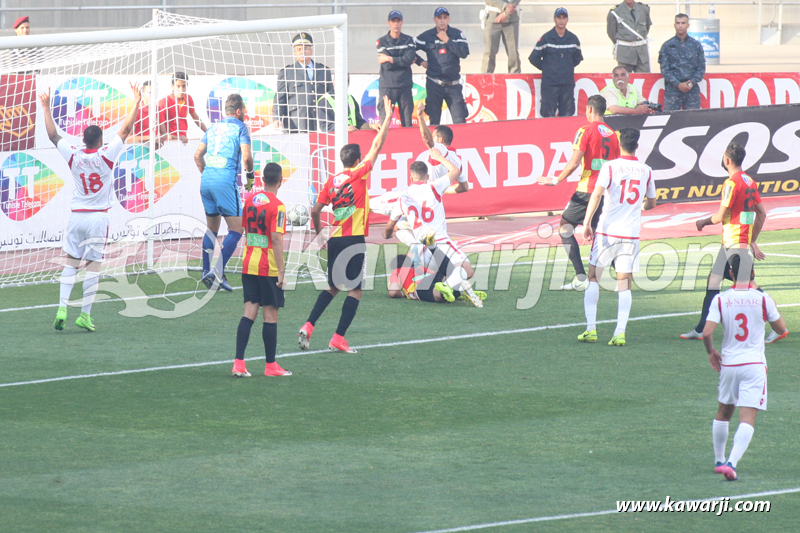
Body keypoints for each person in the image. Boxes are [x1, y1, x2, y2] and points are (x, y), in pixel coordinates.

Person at [41, 83, 142, 332]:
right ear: (100, 141)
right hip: (98, 219)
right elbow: (127, 129)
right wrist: (136, 101)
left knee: (70, 263)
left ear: (83, 140)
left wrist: (45, 107)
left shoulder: (74, 155)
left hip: (76, 217)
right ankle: (85, 315)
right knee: (93, 267)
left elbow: (53, 136)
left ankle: (62, 306)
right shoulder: (106, 156)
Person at [297, 96, 393, 354]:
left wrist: (320, 235)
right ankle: (338, 337)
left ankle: (309, 324)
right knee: (355, 291)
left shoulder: (331, 181)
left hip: (335, 239)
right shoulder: (358, 174)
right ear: (358, 160)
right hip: (353, 240)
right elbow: (377, 144)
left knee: (332, 287)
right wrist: (387, 119)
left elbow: (315, 210)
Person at [680, 142, 780, 343]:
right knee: (714, 280)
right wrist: (752, 239)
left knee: (748, 285)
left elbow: (719, 216)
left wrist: (703, 222)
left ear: (726, 160)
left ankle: (778, 326)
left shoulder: (731, 183)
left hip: (734, 242)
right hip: (734, 242)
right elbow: (761, 213)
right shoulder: (749, 181)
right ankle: (701, 328)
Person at [703, 254, 788, 481]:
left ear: (730, 274)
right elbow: (781, 329)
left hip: (729, 365)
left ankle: (719, 460)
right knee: (747, 418)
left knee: (723, 412)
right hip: (754, 365)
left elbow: (707, 332)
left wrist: (711, 352)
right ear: (753, 273)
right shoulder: (763, 299)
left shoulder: (721, 299)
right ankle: (732, 463)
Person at [578, 128, 657, 346]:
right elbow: (652, 203)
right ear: (637, 146)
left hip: (607, 231)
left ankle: (591, 329)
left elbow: (596, 195)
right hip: (630, 234)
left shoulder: (610, 167)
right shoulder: (646, 170)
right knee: (625, 284)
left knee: (593, 277)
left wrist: (586, 223)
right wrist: (639, 205)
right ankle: (620, 332)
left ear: (619, 144)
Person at [537, 94, 620, 291]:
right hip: (607, 191)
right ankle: (622, 277)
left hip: (587, 190)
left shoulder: (585, 130)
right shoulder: (613, 134)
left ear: (590, 110)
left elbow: (574, 162)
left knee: (565, 227)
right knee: (604, 232)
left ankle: (581, 277)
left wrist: (556, 179)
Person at [383, 148, 482, 307]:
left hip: (422, 250)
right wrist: (439, 157)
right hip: (438, 239)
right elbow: (455, 170)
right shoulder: (434, 186)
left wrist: (388, 233)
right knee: (467, 271)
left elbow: (389, 228)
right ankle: (450, 286)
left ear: (410, 177)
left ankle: (455, 288)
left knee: (449, 271)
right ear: (428, 176)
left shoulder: (403, 198)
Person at [232, 163, 292, 378]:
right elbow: (276, 239)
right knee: (270, 315)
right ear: (280, 180)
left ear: (263, 179)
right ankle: (270, 366)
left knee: (249, 312)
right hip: (268, 268)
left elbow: (244, 229)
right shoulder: (279, 206)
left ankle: (238, 362)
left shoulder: (249, 201)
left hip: (249, 263)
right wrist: (282, 272)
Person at [193, 93, 254, 292]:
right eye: (244, 110)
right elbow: (246, 157)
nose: (245, 113)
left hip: (206, 181)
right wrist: (251, 176)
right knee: (237, 229)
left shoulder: (212, 128)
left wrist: (206, 173)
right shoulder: (241, 127)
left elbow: (197, 155)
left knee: (212, 228)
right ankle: (217, 272)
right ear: (238, 111)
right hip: (224, 180)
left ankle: (205, 271)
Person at [414, 7, 470, 125]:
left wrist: (447, 40)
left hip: (453, 85)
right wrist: (421, 62)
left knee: (460, 122)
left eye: (445, 18)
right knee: (434, 123)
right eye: (439, 18)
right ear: (435, 19)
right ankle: (434, 144)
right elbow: (409, 48)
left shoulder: (457, 34)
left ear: (448, 19)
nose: (442, 20)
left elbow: (464, 53)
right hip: (434, 84)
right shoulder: (427, 36)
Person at [274, 32, 334, 133]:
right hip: (296, 123)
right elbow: (280, 98)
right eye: (299, 49)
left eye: (306, 48)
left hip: (320, 122)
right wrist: (277, 117)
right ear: (294, 53)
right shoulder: (286, 73)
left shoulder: (323, 70)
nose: (303, 52)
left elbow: (331, 96)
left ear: (311, 50)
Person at [529, 8, 583, 118]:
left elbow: (577, 58)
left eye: (564, 18)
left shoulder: (573, 39)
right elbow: (534, 58)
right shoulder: (546, 38)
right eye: (559, 17)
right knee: (547, 114)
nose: (561, 20)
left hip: (567, 84)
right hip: (550, 84)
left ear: (567, 19)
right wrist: (547, 68)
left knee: (567, 116)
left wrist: (566, 68)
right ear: (554, 19)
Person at [387, 249, 487, 304]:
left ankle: (450, 290)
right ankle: (458, 287)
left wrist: (402, 294)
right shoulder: (421, 269)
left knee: (439, 296)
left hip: (419, 286)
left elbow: (393, 291)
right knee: (448, 276)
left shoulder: (397, 272)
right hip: (432, 275)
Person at [377, 10, 417, 127]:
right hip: (387, 87)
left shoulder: (409, 40)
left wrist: (390, 58)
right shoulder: (381, 41)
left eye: (398, 21)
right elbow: (386, 66)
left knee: (407, 122)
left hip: (404, 86)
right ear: (388, 23)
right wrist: (402, 60)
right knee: (385, 121)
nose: (396, 24)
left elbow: (409, 59)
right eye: (393, 21)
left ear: (402, 22)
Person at [658, 14, 705, 111]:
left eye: (683, 23)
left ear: (688, 25)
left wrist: (691, 83)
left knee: (694, 120)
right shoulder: (667, 46)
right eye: (678, 23)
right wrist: (678, 84)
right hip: (673, 90)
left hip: (692, 89)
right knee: (670, 120)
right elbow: (664, 69)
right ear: (674, 25)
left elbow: (701, 67)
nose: (680, 26)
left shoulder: (696, 45)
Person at [157, 72, 207, 143]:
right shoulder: (164, 102)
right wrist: (175, 137)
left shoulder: (188, 98)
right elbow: (158, 129)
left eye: (184, 86)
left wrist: (208, 132)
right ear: (172, 86)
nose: (181, 90)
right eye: (178, 86)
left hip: (183, 140)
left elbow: (195, 117)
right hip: (167, 142)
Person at [607, 0, 652, 73]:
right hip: (625, 53)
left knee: (644, 79)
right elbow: (611, 32)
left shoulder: (644, 9)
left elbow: (647, 27)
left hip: (642, 53)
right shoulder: (615, 11)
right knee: (625, 79)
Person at [480, 0, 521, 74]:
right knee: (490, 51)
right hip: (492, 18)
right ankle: (486, 76)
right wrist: (505, 5)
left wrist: (507, 12)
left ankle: (515, 75)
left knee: (513, 51)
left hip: (511, 19)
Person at [128, 81, 163, 147]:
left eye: (155, 92)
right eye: (150, 92)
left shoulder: (158, 109)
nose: (152, 95)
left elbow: (164, 133)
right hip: (140, 149)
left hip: (156, 150)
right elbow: (128, 138)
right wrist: (151, 138)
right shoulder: (137, 111)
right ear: (143, 94)